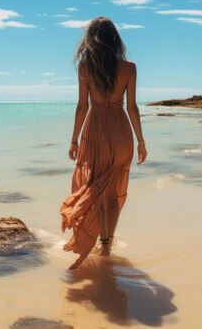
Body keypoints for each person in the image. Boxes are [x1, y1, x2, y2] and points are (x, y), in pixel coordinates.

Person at [59, 16, 147, 270]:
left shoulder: (85, 67)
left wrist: (73, 140)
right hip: (120, 132)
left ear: (91, 40)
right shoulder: (129, 68)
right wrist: (140, 140)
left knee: (92, 186)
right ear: (115, 39)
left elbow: (81, 106)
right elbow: (131, 107)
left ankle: (96, 239)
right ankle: (106, 244)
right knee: (111, 191)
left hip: (94, 129)